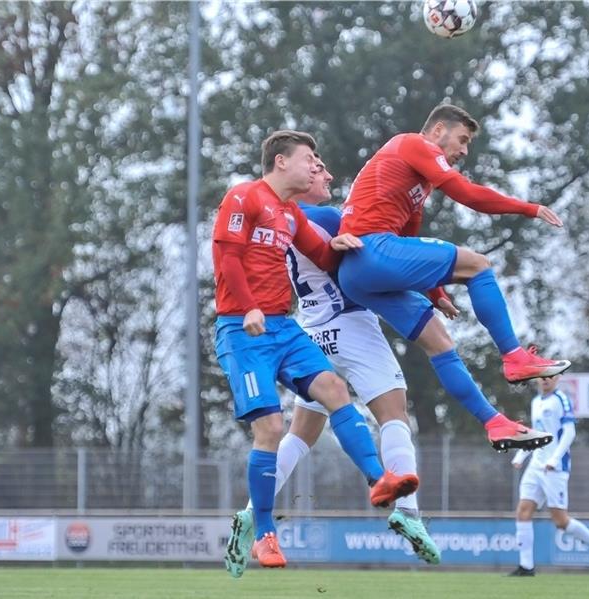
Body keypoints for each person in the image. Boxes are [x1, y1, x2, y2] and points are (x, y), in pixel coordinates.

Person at [224, 156, 439, 579]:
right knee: (395, 413)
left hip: (311, 330)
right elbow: (381, 257)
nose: (327, 175)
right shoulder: (325, 216)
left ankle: (251, 514)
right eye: (318, 169)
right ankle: (409, 512)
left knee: (300, 434)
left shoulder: (282, 219)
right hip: (351, 323)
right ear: (295, 176)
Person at [337, 103, 570, 450]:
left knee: (440, 342)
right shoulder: (413, 144)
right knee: (477, 264)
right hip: (370, 251)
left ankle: (494, 423)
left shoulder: (415, 179)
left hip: (358, 273)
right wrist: (528, 208)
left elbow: (409, 236)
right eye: (461, 140)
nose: (463, 151)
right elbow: (467, 194)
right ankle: (515, 357)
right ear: (437, 131)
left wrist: (434, 293)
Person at [508, 375, 589, 577]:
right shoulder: (536, 402)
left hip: (554, 468)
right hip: (536, 465)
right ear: (537, 379)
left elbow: (569, 433)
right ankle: (526, 566)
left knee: (560, 520)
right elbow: (536, 434)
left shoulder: (561, 400)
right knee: (523, 511)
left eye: (550, 376)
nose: (546, 380)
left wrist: (555, 459)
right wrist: (522, 454)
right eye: (542, 377)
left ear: (557, 378)